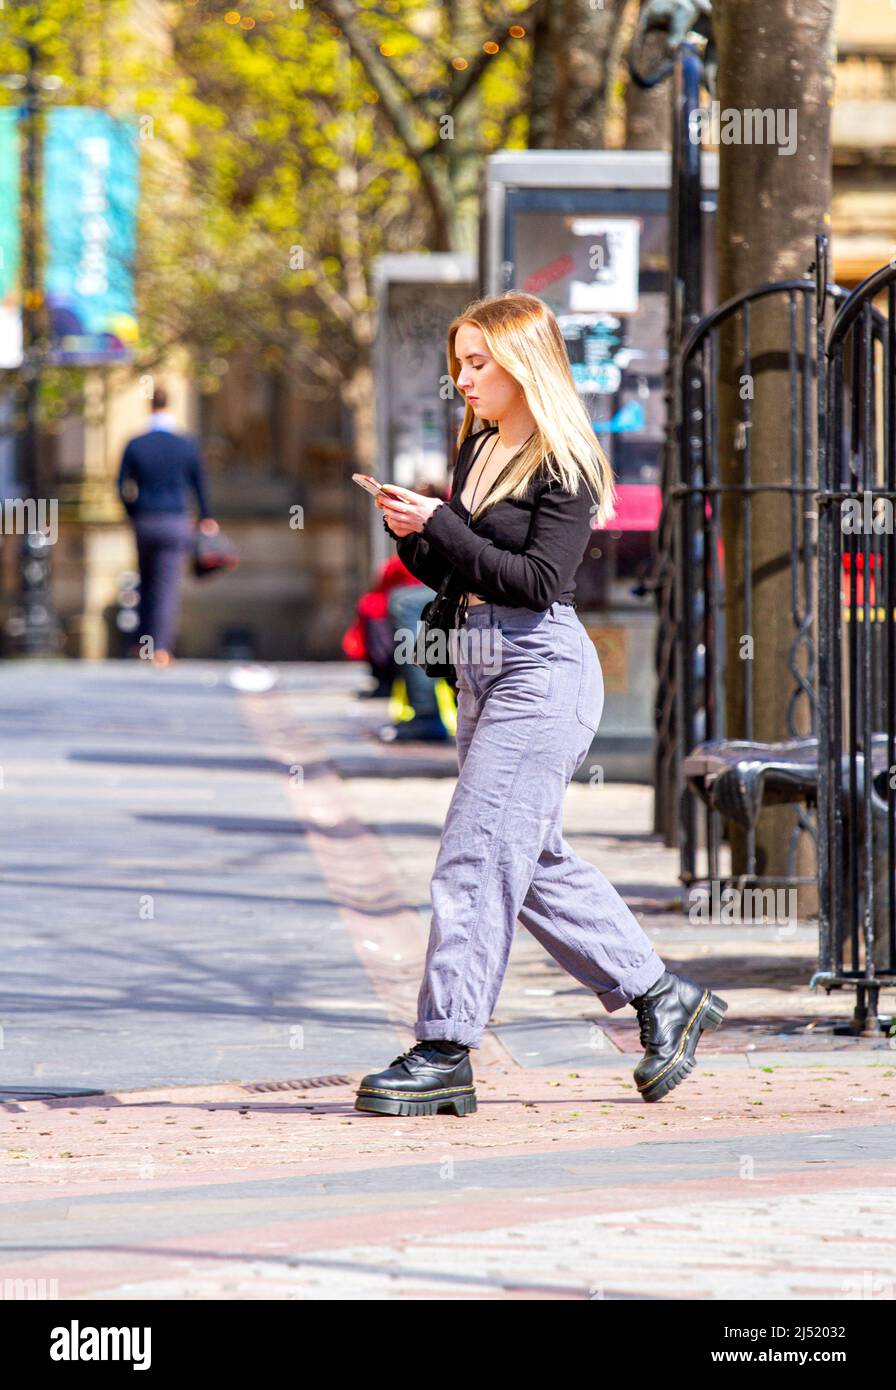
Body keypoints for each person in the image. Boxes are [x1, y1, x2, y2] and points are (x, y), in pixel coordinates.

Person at [355, 291, 727, 1116]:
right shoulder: (481, 445)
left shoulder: (562, 458)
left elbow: (537, 583)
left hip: (540, 668)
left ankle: (446, 1048)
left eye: (479, 362)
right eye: (459, 362)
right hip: (484, 665)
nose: (464, 379)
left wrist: (444, 523)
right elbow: (469, 574)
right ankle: (664, 996)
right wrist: (414, 534)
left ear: (525, 363)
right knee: (526, 861)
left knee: (475, 855)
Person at [117, 386, 218, 667]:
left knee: (145, 580)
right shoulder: (186, 445)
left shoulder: (136, 444)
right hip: (175, 521)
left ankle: (141, 642)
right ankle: (160, 648)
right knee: (166, 587)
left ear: (150, 407)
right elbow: (199, 485)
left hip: (145, 521)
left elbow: (121, 486)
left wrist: (133, 513)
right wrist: (206, 517)